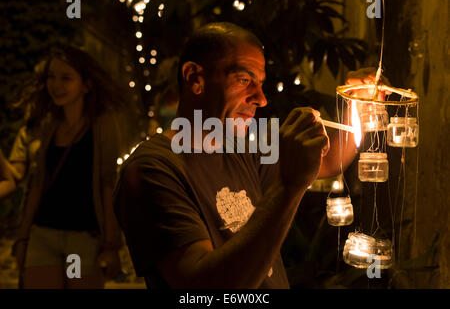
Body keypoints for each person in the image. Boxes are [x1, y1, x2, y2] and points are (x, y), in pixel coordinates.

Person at [113, 22, 379, 288]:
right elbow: (204, 289)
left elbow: (327, 161)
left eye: (260, 83)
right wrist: (289, 186)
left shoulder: (242, 150)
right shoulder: (152, 169)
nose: (261, 99)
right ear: (195, 78)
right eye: (244, 80)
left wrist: (356, 109)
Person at [11, 45, 131, 289]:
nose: (56, 85)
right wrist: (23, 236)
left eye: (66, 78)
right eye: (51, 77)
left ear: (86, 85)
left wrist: (111, 244)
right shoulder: (49, 124)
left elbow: (108, 184)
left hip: (83, 239)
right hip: (43, 235)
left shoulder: (102, 125)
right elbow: (37, 183)